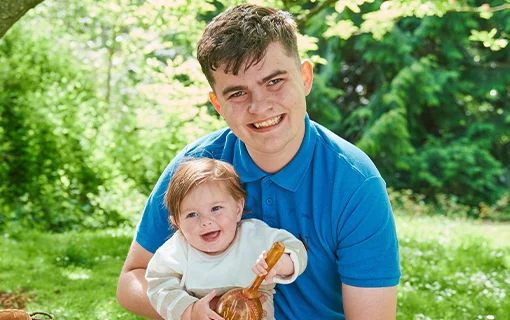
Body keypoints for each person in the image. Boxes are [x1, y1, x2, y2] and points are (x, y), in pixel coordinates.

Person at [117, 3, 401, 319]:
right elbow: (132, 279)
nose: (259, 105)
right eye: (237, 93)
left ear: (305, 77)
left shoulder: (354, 183)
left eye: (274, 81)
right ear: (218, 104)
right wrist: (189, 313)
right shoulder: (193, 170)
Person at [145, 158, 307, 320]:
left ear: (238, 209)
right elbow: (158, 284)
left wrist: (280, 264)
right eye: (192, 214)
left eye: (216, 208)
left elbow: (296, 248)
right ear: (178, 223)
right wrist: (190, 310)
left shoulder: (254, 235)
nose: (205, 221)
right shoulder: (178, 250)